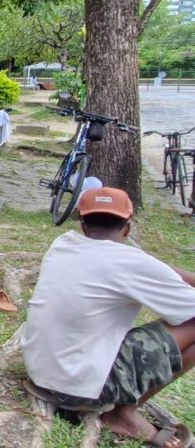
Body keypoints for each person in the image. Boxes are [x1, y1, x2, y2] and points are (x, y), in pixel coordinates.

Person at [23, 188, 195, 448]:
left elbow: (152, 268)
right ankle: (122, 414)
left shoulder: (63, 244)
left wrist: (147, 264)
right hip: (77, 390)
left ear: (82, 224)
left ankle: (117, 406)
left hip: (41, 375)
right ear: (127, 227)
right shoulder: (131, 262)